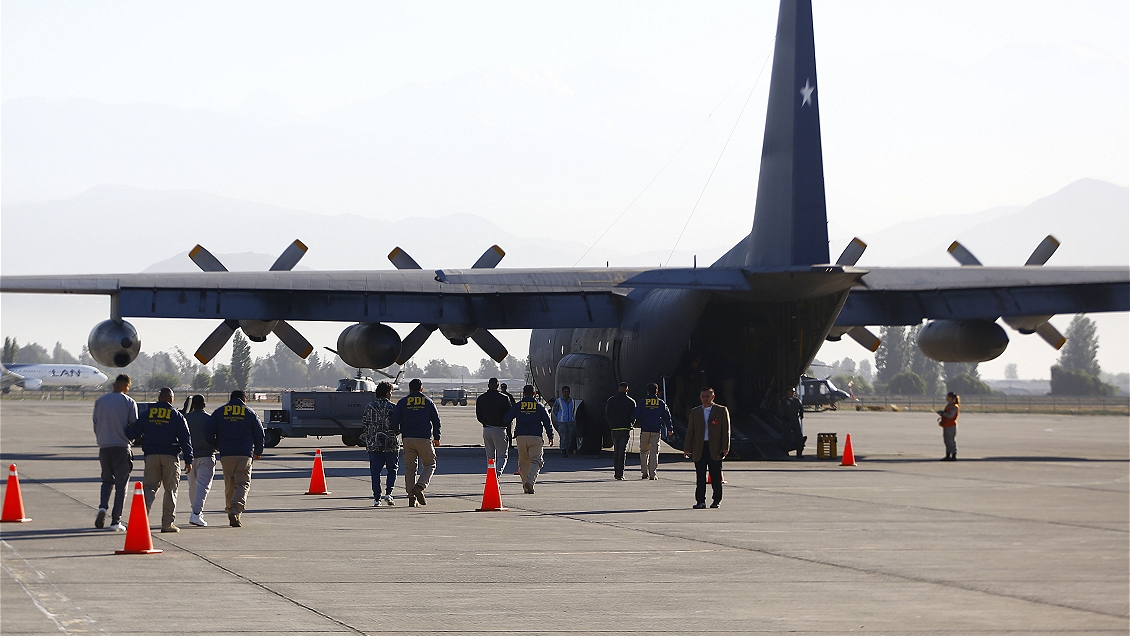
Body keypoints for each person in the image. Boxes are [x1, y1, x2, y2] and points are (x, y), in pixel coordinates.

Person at [128, 387, 193, 533]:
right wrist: (189, 459)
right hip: (170, 456)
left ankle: (140, 522)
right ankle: (167, 523)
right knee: (170, 490)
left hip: (151, 456)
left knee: (149, 488)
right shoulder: (176, 415)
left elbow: (134, 432)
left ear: (159, 398)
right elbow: (185, 438)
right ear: (171, 399)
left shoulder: (147, 414)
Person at [205, 390, 264, 527]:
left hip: (226, 454)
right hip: (244, 454)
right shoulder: (249, 412)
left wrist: (216, 445)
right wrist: (258, 451)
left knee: (230, 484)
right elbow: (259, 433)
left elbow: (207, 430)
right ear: (244, 399)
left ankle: (229, 510)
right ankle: (236, 510)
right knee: (242, 483)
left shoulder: (220, 412)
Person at [92, 374, 138, 531]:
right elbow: (134, 425)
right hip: (121, 446)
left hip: (104, 447)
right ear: (126, 386)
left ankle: (102, 507)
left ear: (113, 385)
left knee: (106, 480)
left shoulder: (100, 402)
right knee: (121, 484)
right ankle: (115, 521)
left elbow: (95, 423)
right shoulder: (129, 402)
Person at [391, 378, 441, 507]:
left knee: (410, 468)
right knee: (430, 463)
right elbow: (436, 420)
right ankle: (420, 486)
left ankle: (411, 498)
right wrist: (436, 437)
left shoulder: (402, 402)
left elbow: (394, 421)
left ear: (409, 389)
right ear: (421, 389)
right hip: (424, 438)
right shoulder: (428, 402)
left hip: (407, 438)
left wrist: (397, 431)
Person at [684, 387, 730, 509]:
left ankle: (716, 500)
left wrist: (725, 447)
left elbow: (726, 431)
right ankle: (700, 501)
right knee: (700, 476)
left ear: (712, 397)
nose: (705, 398)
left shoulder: (721, 411)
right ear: (700, 397)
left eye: (707, 396)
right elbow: (690, 431)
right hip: (700, 447)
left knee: (715, 476)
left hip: (715, 448)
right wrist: (687, 447)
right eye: (703, 396)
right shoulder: (695, 412)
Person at [505, 385, 554, 493]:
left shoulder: (518, 406)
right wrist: (550, 436)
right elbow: (547, 422)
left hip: (521, 437)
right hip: (535, 437)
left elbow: (507, 418)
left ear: (523, 393)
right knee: (536, 460)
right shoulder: (539, 406)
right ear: (534, 394)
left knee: (523, 461)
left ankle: (525, 486)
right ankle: (530, 482)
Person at [361, 381, 400, 506]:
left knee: (375, 472)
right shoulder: (393, 407)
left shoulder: (369, 407)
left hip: (374, 443)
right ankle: (389, 493)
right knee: (392, 469)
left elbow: (365, 424)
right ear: (387, 393)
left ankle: (376, 498)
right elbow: (398, 425)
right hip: (391, 443)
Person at [184, 395, 216, 526]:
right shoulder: (209, 419)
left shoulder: (185, 418)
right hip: (206, 455)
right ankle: (196, 513)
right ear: (204, 405)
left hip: (190, 457)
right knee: (203, 486)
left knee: (193, 485)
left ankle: (195, 511)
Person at [631, 383, 672, 480]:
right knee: (654, 452)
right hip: (656, 430)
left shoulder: (643, 402)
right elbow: (667, 416)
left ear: (647, 391)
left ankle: (644, 472)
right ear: (657, 391)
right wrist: (670, 428)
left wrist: (630, 420)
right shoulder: (661, 403)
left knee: (644, 451)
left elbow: (635, 414)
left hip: (645, 429)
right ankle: (653, 473)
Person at [476, 378, 512, 476]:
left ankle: (490, 474)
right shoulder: (504, 398)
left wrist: (486, 422)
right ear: (498, 386)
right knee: (502, 456)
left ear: (488, 385)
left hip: (486, 429)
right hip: (499, 429)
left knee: (490, 458)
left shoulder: (481, 398)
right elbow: (509, 415)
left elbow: (479, 416)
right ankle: (496, 475)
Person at [605, 382, 636, 480]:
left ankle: (615, 472)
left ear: (618, 389)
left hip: (614, 428)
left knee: (616, 451)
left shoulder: (611, 400)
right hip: (625, 428)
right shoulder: (631, 401)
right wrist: (631, 423)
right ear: (627, 390)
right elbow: (633, 416)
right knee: (622, 451)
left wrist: (611, 423)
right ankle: (620, 474)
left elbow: (607, 413)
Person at [778, 386, 806, 458]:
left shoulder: (796, 400)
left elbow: (800, 408)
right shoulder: (783, 401)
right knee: (786, 437)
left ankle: (799, 452)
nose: (792, 393)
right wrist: (783, 417)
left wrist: (801, 413)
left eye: (793, 392)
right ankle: (785, 451)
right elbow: (780, 410)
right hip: (787, 421)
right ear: (787, 392)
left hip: (795, 420)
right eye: (791, 391)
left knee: (798, 436)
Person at [552, 386, 578, 457]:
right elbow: (555, 410)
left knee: (569, 437)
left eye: (567, 391)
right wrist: (560, 416)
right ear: (562, 392)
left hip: (570, 421)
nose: (566, 393)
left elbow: (573, 409)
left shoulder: (572, 401)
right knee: (563, 436)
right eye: (565, 391)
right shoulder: (558, 401)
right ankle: (563, 450)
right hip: (562, 421)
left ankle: (566, 448)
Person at [938, 392, 960, 461]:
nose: (946, 398)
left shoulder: (954, 406)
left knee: (951, 440)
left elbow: (951, 415)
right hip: (946, 424)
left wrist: (943, 414)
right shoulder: (949, 405)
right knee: (946, 440)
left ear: (952, 398)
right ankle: (948, 454)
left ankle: (953, 455)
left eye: (948, 397)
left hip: (951, 425)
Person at [499, 382, 517, 449]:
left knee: (508, 432)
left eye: (504, 387)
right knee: (501, 432)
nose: (503, 389)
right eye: (502, 387)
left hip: (507, 416)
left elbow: (513, 406)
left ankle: (510, 444)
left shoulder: (509, 396)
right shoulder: (499, 396)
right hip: (500, 416)